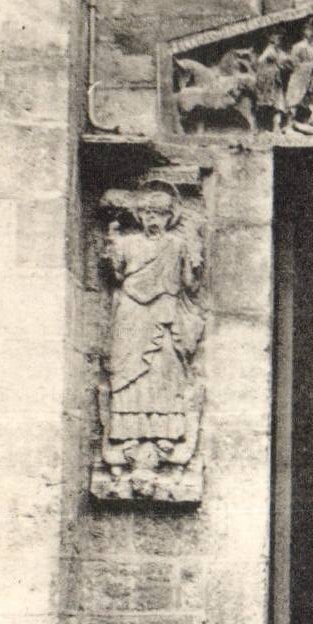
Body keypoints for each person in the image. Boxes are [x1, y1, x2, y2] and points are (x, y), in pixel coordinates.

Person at [101, 188, 204, 463]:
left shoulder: (177, 244)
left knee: (164, 368)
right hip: (132, 312)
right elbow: (117, 274)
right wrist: (112, 244)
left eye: (159, 213)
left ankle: (164, 433)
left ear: (170, 216)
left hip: (164, 312)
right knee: (127, 369)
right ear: (140, 216)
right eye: (147, 213)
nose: (152, 218)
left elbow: (189, 285)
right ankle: (127, 434)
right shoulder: (128, 242)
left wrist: (195, 258)